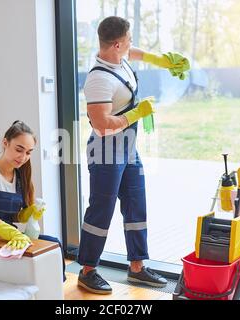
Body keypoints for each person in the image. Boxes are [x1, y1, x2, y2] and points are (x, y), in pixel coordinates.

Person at [77, 16, 189, 294]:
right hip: (105, 152)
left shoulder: (119, 57)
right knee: (101, 211)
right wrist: (136, 113)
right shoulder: (99, 79)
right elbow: (102, 126)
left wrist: (162, 60)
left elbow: (135, 52)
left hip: (128, 150)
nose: (131, 44)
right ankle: (87, 270)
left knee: (136, 206)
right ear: (116, 44)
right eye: (128, 40)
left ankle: (137, 268)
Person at [0, 120, 66, 282]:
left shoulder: (21, 178)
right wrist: (13, 233)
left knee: (54, 244)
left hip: (7, 235)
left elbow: (11, 216)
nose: (23, 157)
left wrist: (26, 215)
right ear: (5, 143)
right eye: (19, 149)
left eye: (28, 152)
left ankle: (54, 290)